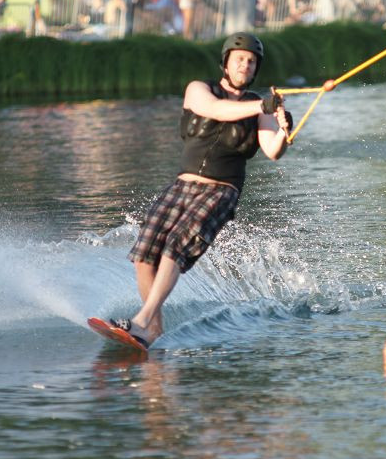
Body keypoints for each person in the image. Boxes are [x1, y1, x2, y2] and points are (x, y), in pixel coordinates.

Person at [110, 32, 291, 348]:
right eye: (239, 60)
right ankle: (154, 331)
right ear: (226, 62)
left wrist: (285, 129)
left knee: (177, 245)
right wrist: (262, 104)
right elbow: (217, 111)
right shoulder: (199, 89)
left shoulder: (259, 107)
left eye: (251, 62)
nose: (245, 66)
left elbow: (272, 151)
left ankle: (140, 321)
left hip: (222, 191)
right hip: (182, 185)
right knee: (144, 254)